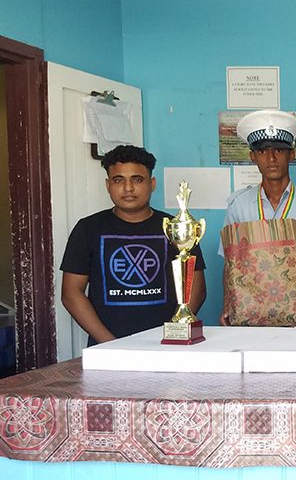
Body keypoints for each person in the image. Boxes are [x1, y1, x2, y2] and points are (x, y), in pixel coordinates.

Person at [60, 145, 206, 346]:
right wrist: (111, 344)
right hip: (107, 348)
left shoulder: (177, 229)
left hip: (168, 346)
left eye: (137, 179)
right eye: (118, 180)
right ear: (107, 184)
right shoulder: (88, 229)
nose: (128, 188)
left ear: (152, 183)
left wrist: (174, 333)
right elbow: (71, 293)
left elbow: (196, 288)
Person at [221, 110, 296, 326]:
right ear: (252, 156)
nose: (271, 158)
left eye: (279, 150)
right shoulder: (239, 205)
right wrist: (228, 303)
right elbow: (229, 264)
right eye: (263, 151)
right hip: (248, 301)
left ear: (292, 154)